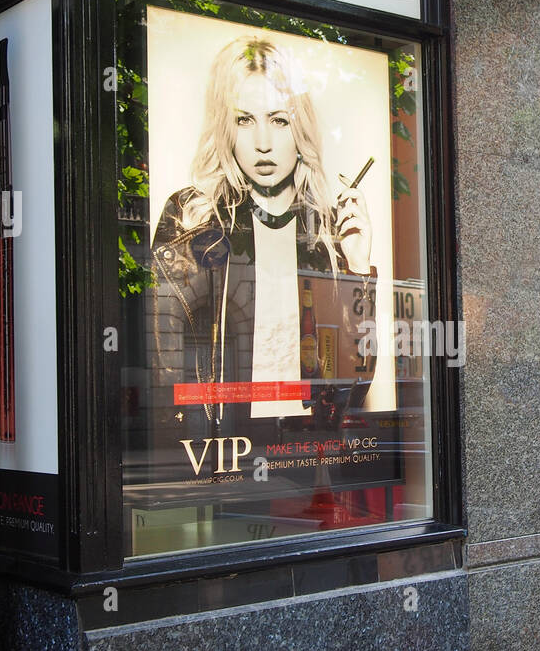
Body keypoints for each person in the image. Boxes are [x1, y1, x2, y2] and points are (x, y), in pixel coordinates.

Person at [149, 35, 377, 450]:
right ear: (226, 127)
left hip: (307, 443)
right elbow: (162, 357)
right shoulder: (194, 219)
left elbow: (353, 389)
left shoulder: (325, 229)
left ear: (299, 127)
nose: (263, 143)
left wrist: (358, 269)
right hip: (217, 443)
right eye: (243, 120)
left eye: (278, 120)